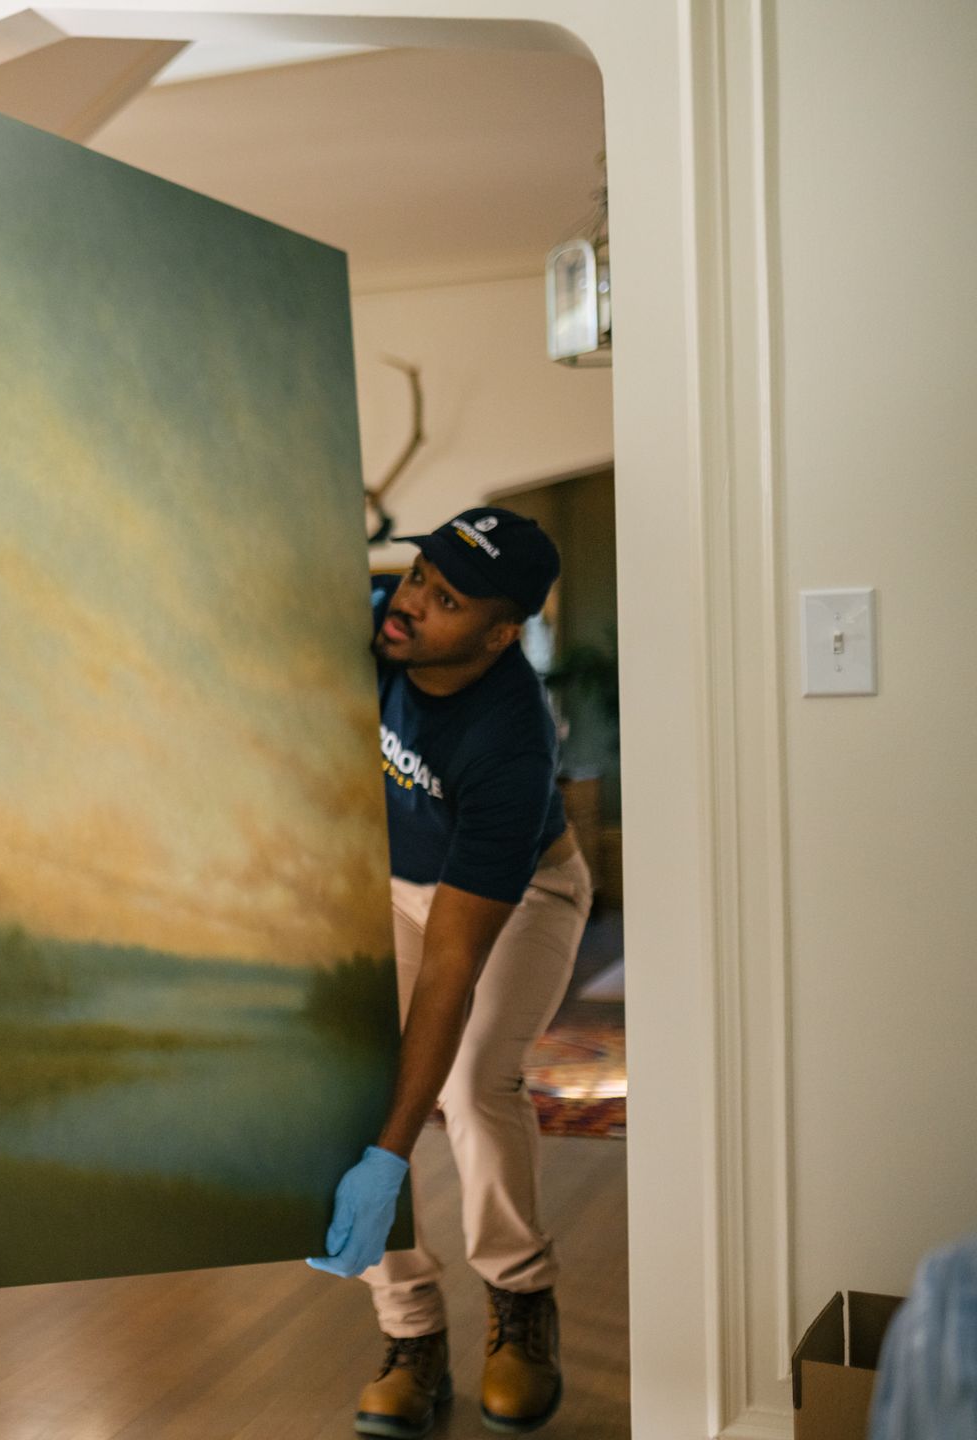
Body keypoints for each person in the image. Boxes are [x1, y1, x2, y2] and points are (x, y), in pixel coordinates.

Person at [309, 507, 594, 1439]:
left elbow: (453, 965)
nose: (412, 603)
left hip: (524, 896)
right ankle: (412, 1335)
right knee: (352, 1090)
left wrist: (392, 1160)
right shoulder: (371, 627)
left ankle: (521, 1295)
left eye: (447, 600)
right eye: (420, 576)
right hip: (395, 885)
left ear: (499, 633)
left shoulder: (510, 742)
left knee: (473, 1084)